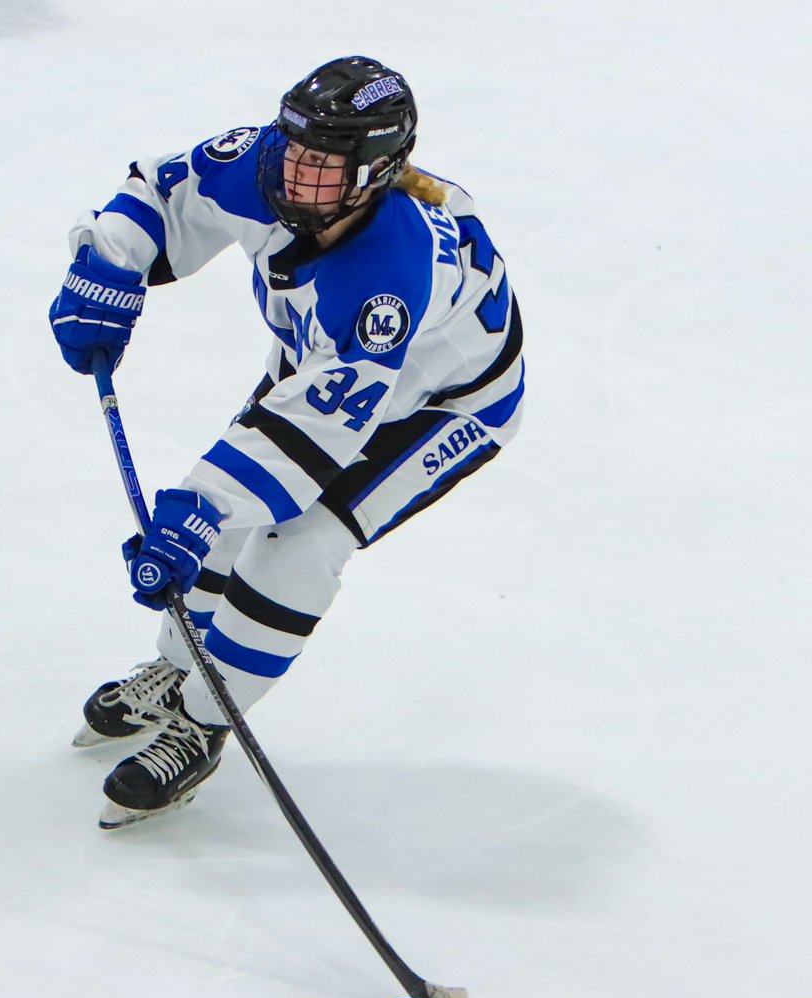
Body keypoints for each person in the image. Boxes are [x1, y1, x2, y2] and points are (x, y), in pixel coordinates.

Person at [48, 56, 524, 829]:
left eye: (324, 166)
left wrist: (203, 507)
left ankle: (205, 720)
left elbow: (312, 436)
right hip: (325, 370)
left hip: (442, 402)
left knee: (297, 538)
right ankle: (178, 668)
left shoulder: (384, 281)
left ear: (376, 173)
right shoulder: (265, 164)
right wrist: (109, 262)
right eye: (296, 150)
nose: (296, 176)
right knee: (217, 517)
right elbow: (163, 191)